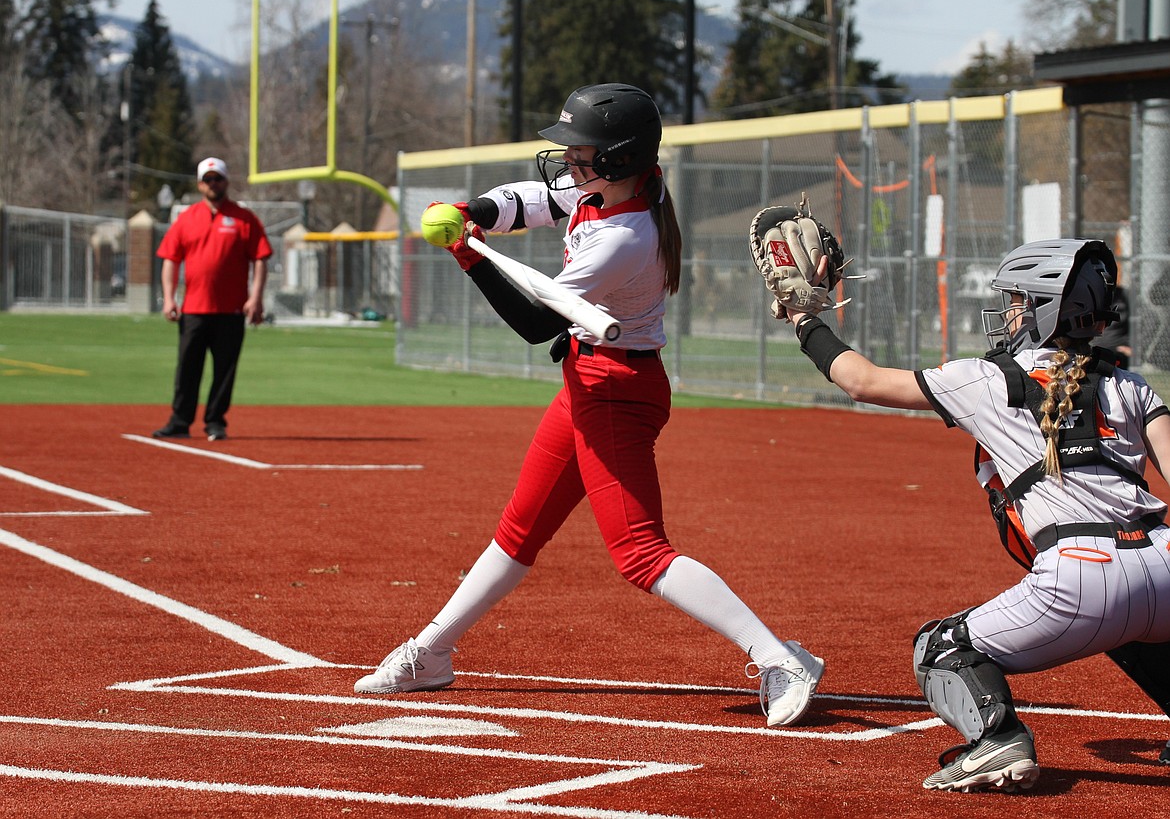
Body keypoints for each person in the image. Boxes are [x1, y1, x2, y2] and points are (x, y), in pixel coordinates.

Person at [354, 83, 824, 727]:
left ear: (619, 159)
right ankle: (431, 653)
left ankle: (778, 658)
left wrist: (467, 252)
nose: (570, 165)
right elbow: (529, 199)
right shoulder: (622, 187)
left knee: (640, 554)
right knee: (519, 533)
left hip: (615, 392)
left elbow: (533, 322)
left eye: (583, 154)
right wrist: (473, 213)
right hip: (590, 379)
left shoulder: (623, 238)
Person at [783, 237, 1170, 792]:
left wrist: (804, 320)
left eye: (1018, 299)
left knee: (940, 647)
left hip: (1083, 574)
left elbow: (860, 380)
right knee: (1137, 620)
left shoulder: (987, 379)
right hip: (1164, 557)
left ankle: (996, 739)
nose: (1009, 310)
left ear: (1043, 308)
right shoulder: (1129, 384)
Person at [152, 157, 272, 442]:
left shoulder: (244, 219)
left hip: (230, 310)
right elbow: (170, 259)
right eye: (208, 179)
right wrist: (169, 299)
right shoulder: (187, 219)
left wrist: (255, 298)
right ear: (199, 184)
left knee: (224, 371)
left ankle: (216, 421)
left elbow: (261, 258)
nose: (213, 184)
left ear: (226, 181)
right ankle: (180, 420)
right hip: (194, 308)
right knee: (187, 368)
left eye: (217, 178)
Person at [1095, 282, 1132, 368]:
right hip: (1092, 350)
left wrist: (1134, 349)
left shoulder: (1123, 295)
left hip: (1117, 350)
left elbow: (1145, 320)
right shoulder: (1089, 295)